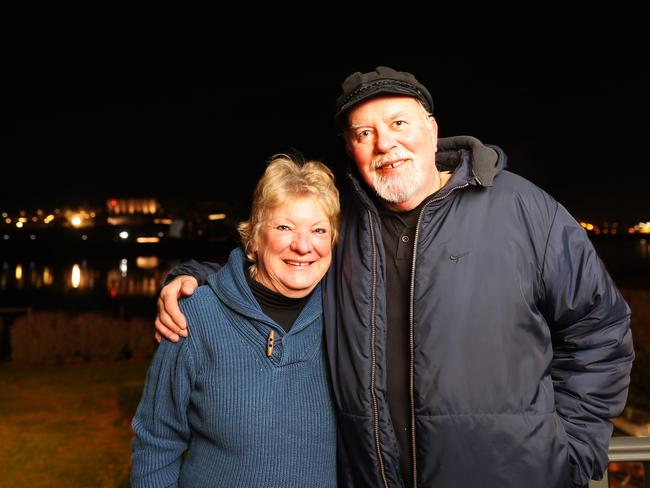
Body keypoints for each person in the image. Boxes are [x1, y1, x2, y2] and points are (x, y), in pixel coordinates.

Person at [155, 67, 634, 488]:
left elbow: (600, 329)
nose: (385, 143)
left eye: (398, 123)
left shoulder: (524, 211)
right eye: (363, 134)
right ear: (351, 149)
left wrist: (571, 451)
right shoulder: (344, 225)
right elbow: (282, 261)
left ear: (432, 128)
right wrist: (194, 279)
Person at [131, 154, 340, 487]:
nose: (303, 245)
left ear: (332, 241)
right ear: (254, 238)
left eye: (318, 230)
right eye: (285, 227)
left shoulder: (348, 320)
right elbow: (157, 442)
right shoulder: (195, 318)